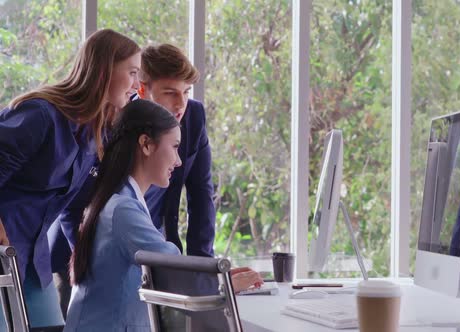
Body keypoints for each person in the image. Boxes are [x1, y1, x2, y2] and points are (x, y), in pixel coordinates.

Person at [48, 43, 227, 315]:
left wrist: (204, 270)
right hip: (80, 252)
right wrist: (90, 259)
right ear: (142, 89)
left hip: (146, 246)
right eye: (170, 93)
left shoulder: (193, 117)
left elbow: (201, 196)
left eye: (186, 93)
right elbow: (73, 200)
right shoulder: (111, 120)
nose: (180, 105)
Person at [65, 100, 263, 331]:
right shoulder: (122, 210)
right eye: (175, 146)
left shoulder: (121, 200)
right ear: (146, 145)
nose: (178, 161)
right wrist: (225, 284)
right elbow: (172, 271)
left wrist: (219, 279)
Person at [0, 29, 140, 328]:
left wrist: (85, 253)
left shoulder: (96, 136)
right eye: (131, 73)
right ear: (104, 70)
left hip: (33, 262)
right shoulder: (40, 114)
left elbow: (74, 208)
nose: (136, 85)